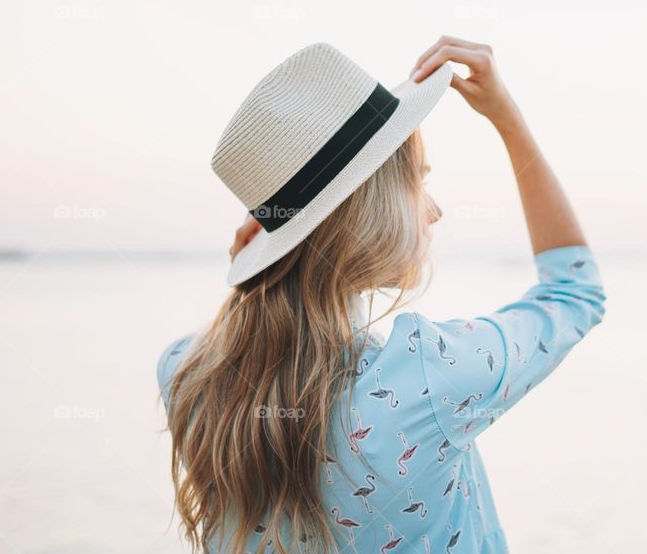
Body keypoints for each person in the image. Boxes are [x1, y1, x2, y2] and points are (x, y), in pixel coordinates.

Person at [157, 36, 606, 553]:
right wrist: (509, 122)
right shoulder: (428, 375)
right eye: (417, 182)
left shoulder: (185, 377)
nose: (434, 210)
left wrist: (255, 272)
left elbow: (256, 329)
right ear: (370, 212)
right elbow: (575, 289)